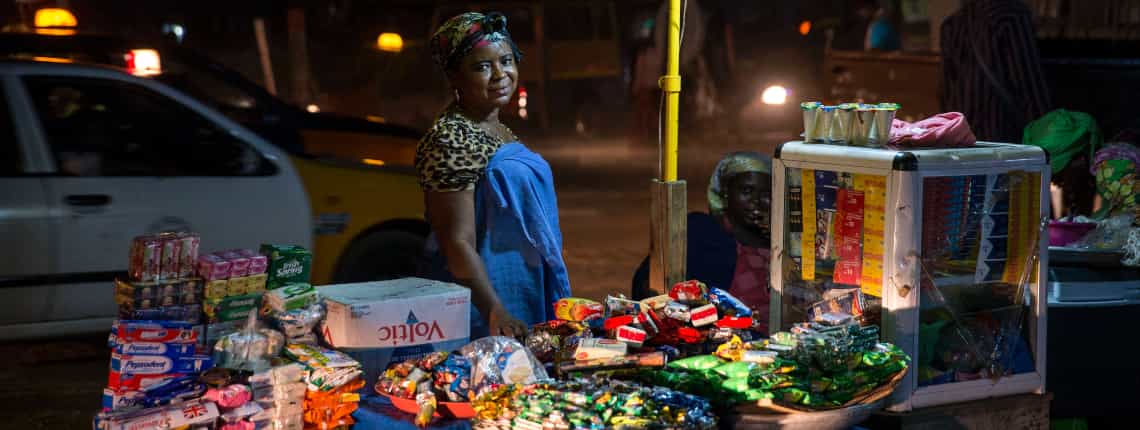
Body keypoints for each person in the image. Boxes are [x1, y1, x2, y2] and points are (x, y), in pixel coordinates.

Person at [417, 12, 571, 339]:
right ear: (454, 77)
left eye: (506, 60)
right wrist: (494, 309)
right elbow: (455, 241)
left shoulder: (498, 128)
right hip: (485, 308)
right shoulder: (451, 139)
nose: (500, 74)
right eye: (482, 66)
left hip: (524, 289)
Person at [632, 152, 773, 333]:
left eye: (766, 194)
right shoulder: (702, 232)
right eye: (746, 191)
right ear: (725, 194)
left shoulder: (780, 243)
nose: (757, 202)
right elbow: (646, 286)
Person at [940, 0, 1051, 143]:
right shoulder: (1011, 16)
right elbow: (1029, 85)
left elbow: (947, 91)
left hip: (964, 137)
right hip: (1003, 138)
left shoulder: (952, 22)